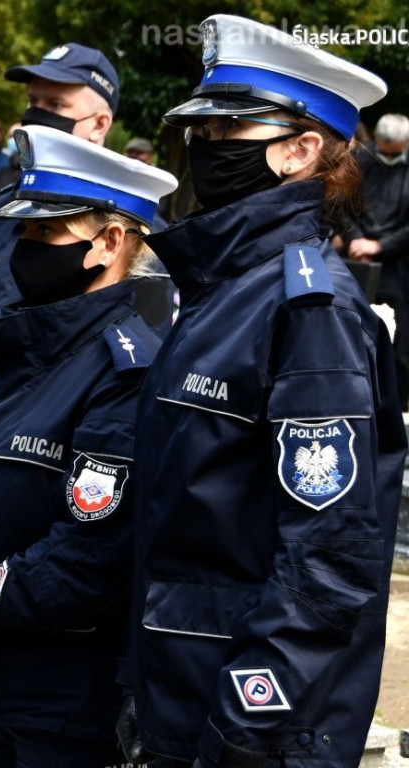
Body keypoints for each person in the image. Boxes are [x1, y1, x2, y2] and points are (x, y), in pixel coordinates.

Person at [118, 15, 405, 768]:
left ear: (301, 150)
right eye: (201, 134)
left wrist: (243, 727)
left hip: (242, 726)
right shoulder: (227, 287)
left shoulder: (310, 310)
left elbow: (328, 560)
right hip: (178, 693)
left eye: (228, 131)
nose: (206, 150)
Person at [0, 124, 176, 767]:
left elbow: (89, 548)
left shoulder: (127, 371)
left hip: (65, 702)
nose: (23, 248)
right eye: (23, 230)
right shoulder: (22, 352)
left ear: (109, 242)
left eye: (46, 233)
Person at [0, 43, 118, 315]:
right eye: (32, 101)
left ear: (99, 125)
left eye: (55, 104)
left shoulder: (128, 228)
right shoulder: (2, 206)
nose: (35, 115)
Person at [345, 113, 409, 410]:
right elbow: (339, 203)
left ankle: (395, 402)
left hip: (399, 263)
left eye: (393, 152)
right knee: (351, 328)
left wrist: (380, 245)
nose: (387, 157)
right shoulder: (364, 157)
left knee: (403, 343)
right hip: (357, 256)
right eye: (384, 150)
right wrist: (356, 239)